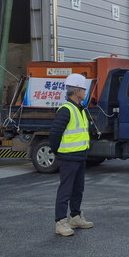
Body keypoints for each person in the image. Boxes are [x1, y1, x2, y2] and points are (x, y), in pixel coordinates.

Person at [48, 73, 94, 237]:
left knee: (77, 189)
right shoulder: (66, 110)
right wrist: (58, 152)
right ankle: (61, 222)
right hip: (68, 157)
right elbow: (54, 134)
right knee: (65, 190)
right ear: (76, 91)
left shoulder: (79, 109)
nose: (85, 92)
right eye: (83, 89)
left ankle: (75, 217)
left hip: (79, 156)